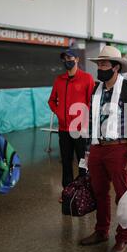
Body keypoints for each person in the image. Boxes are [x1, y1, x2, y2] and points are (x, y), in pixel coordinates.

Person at [81, 46, 127, 252]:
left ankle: (124, 236)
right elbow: (90, 122)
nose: (100, 68)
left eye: (104, 64)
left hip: (119, 148)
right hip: (98, 148)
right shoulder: (96, 91)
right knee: (99, 192)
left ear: (116, 67)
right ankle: (101, 231)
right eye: (98, 64)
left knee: (122, 195)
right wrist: (87, 151)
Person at [48, 49, 95, 202]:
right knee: (66, 161)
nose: (66, 60)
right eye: (64, 58)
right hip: (64, 129)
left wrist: (84, 121)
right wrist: (60, 113)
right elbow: (51, 100)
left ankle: (83, 191)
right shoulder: (59, 80)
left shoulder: (87, 78)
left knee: (83, 161)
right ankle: (67, 191)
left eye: (69, 57)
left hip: (80, 129)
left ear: (77, 59)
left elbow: (91, 102)